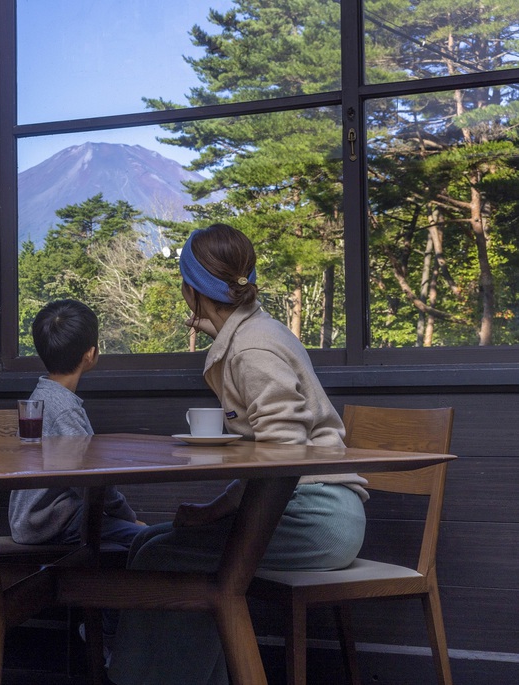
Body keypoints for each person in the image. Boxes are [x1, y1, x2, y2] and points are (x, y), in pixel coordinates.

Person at [108, 223, 368, 685]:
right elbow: (270, 456)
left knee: (161, 557)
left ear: (191, 290)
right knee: (148, 542)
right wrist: (215, 510)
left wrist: (218, 510)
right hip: (298, 506)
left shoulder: (252, 348)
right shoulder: (250, 334)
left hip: (316, 516)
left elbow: (283, 454)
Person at [8, 298, 144, 547]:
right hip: (50, 523)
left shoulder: (43, 395)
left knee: (141, 537)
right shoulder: (64, 410)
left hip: (51, 518)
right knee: (149, 540)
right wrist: (129, 517)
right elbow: (91, 480)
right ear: (90, 354)